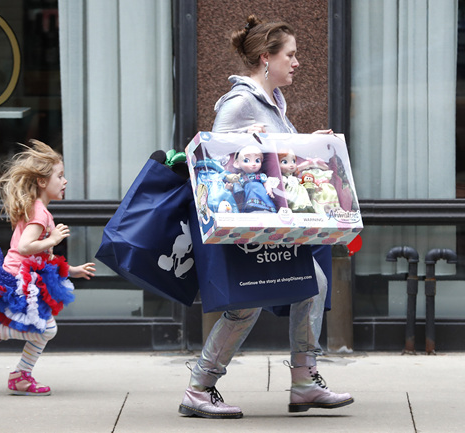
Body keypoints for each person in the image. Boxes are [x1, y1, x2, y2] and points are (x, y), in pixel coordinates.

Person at [178, 15, 353, 418]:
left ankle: (304, 382)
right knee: (246, 304)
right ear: (265, 57)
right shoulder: (240, 101)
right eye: (289, 55)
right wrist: (241, 142)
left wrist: (314, 148)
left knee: (313, 285)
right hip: (247, 221)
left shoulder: (274, 102)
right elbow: (214, 158)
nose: (296, 62)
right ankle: (200, 387)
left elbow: (278, 158)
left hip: (272, 221)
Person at [0, 140, 96, 396]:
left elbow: (41, 258)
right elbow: (25, 247)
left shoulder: (40, 210)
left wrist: (73, 270)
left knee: (46, 330)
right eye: (60, 175)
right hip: (17, 280)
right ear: (42, 182)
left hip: (26, 278)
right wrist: (54, 239)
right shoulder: (40, 213)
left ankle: (21, 376)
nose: (65, 181)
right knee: (46, 329)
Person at [224, 144, 277, 212]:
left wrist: (268, 190)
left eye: (257, 160)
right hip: (250, 195)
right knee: (250, 206)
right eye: (246, 160)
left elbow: (265, 183)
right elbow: (238, 188)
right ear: (237, 164)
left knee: (265, 204)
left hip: (262, 193)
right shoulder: (241, 178)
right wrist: (230, 188)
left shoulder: (261, 176)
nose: (253, 164)